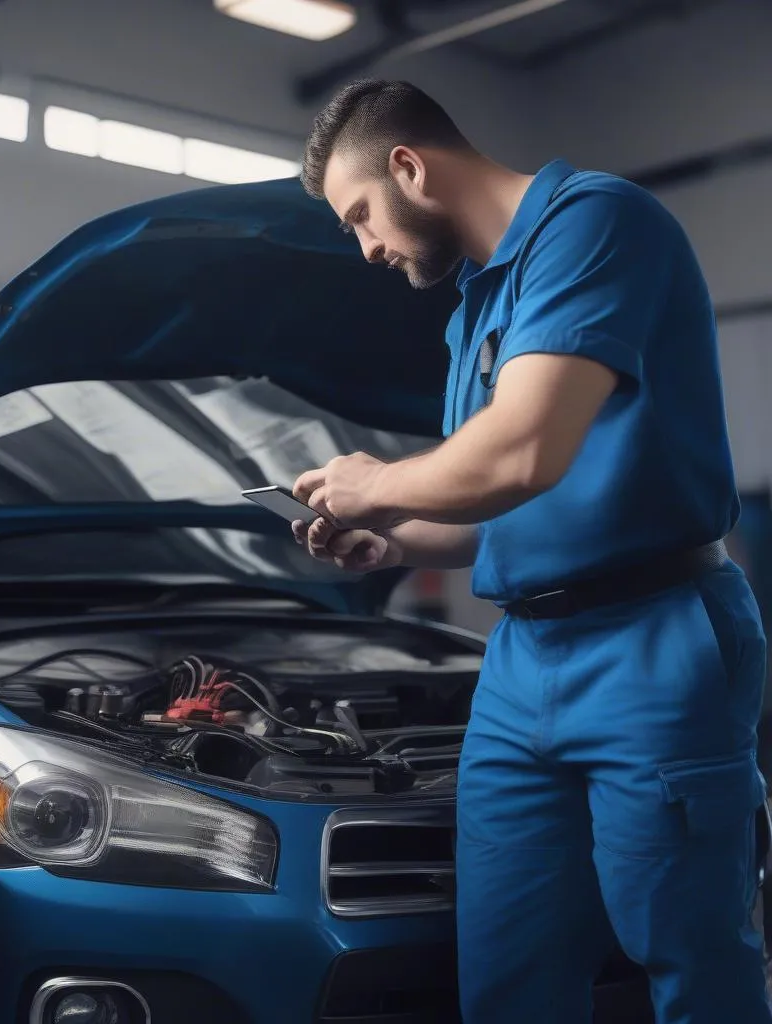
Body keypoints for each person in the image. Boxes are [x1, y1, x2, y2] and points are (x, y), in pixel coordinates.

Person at [291, 78, 770, 1024]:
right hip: (522, 665)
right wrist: (383, 538)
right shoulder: (475, 305)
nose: (366, 249)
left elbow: (518, 452)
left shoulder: (595, 224)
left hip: (653, 642)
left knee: (689, 957)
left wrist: (375, 481)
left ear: (409, 167)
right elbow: (486, 508)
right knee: (509, 968)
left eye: (358, 217)